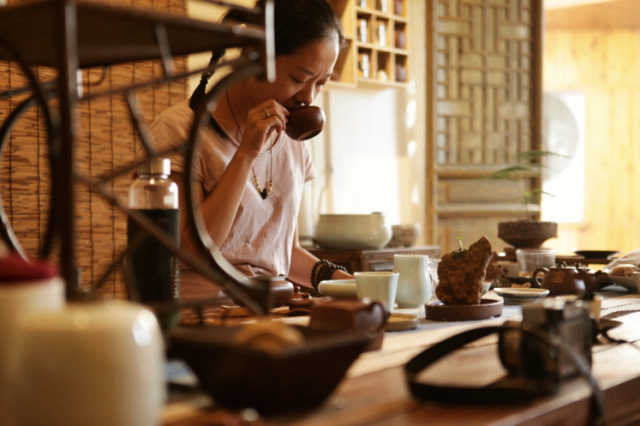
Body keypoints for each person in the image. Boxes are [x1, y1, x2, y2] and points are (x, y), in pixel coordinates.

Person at [150, 0, 352, 301]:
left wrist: (349, 283)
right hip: (205, 317)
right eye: (298, 78)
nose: (308, 96)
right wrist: (245, 154)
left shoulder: (292, 142)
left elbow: (283, 252)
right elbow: (193, 250)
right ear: (253, 57)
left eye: (320, 83)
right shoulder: (181, 131)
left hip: (269, 313)